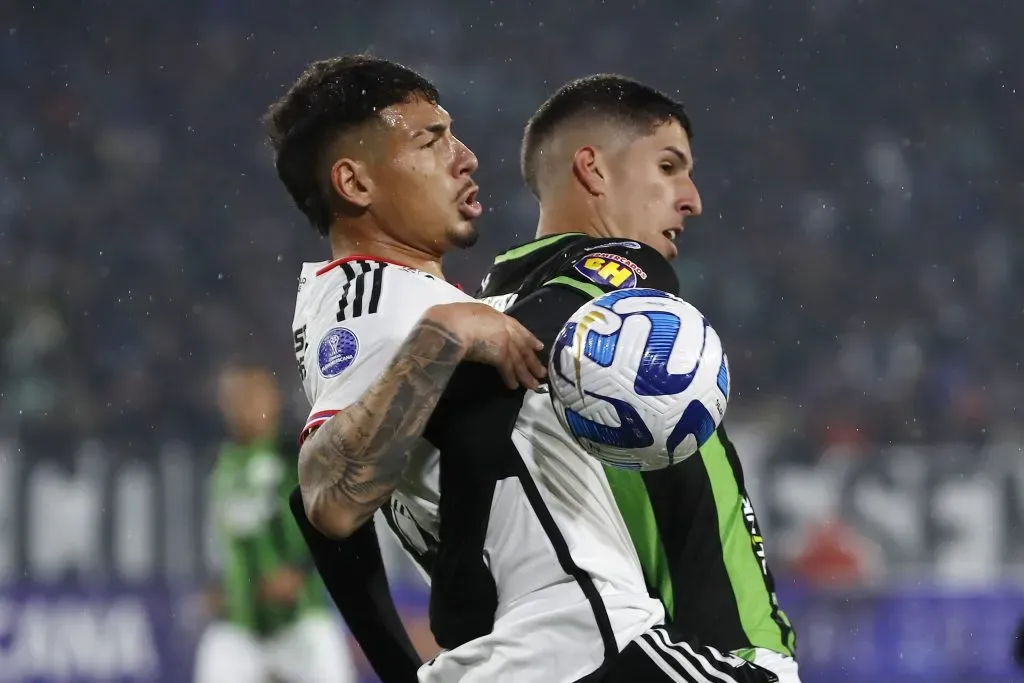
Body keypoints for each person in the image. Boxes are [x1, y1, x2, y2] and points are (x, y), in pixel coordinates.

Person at [268, 55, 776, 683]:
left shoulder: (418, 307)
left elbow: (317, 512)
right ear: (355, 183)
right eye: (431, 140)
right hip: (582, 650)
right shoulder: (376, 301)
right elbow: (327, 498)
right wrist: (443, 335)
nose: (465, 157)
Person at [474, 74, 801, 682]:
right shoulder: (619, 280)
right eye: (668, 166)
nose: (692, 199)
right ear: (594, 169)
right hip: (711, 658)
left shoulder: (483, 313)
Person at [193, 364, 357, 683]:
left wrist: (300, 570)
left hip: (301, 619)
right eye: (234, 399)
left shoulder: (297, 454)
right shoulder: (221, 464)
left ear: (273, 400)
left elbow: (337, 522)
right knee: (214, 654)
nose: (243, 408)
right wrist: (214, 584)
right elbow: (220, 537)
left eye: (252, 397)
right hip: (241, 623)